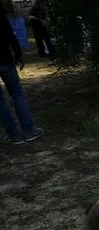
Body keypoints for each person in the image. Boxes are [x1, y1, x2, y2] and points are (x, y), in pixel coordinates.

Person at [0, 4, 45, 144]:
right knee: (17, 94)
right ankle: (28, 129)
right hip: (4, 58)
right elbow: (8, 32)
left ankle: (14, 134)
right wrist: (18, 53)